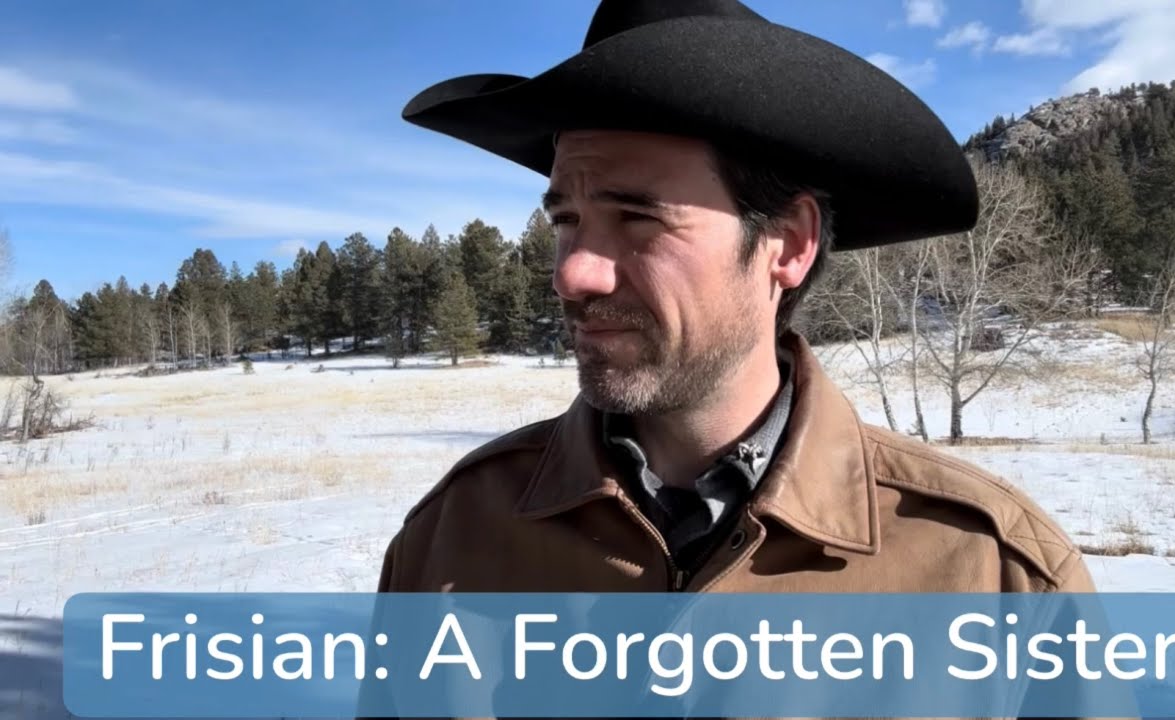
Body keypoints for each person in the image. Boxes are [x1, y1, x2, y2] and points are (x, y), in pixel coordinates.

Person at [367, 0, 1104, 715]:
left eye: (637, 217)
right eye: (567, 220)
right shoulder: (454, 537)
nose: (573, 273)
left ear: (788, 244)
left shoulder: (991, 574)